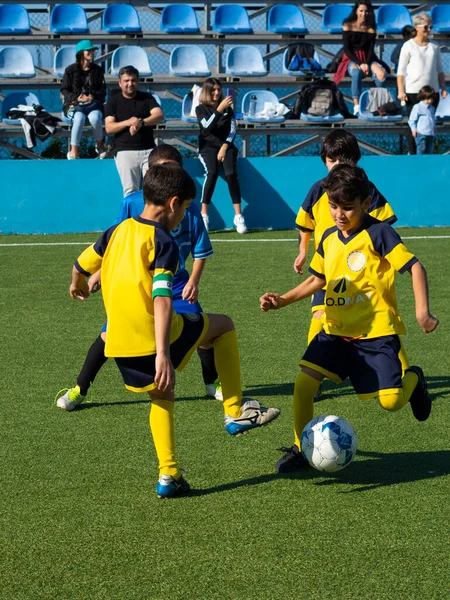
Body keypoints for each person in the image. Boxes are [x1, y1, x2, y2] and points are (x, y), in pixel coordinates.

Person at [67, 163, 280, 497]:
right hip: (157, 340)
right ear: (173, 203)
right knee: (223, 326)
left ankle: (169, 477)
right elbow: (163, 298)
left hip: (120, 345)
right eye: (185, 209)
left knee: (161, 397)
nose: (184, 217)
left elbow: (80, 265)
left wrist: (77, 284)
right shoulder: (163, 240)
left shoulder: (115, 231)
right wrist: (164, 355)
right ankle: (236, 410)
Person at [260, 164, 439, 473]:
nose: (339, 214)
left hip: (375, 334)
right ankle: (301, 448)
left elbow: (415, 268)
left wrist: (422, 312)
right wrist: (283, 300)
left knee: (392, 402)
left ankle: (415, 379)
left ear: (365, 204)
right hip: (335, 332)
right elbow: (317, 279)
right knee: (303, 384)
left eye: (347, 207)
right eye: (333, 206)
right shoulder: (328, 238)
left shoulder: (378, 232)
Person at [56, 144, 223, 409]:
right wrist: (100, 272)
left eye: (174, 170)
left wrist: (193, 280)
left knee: (205, 331)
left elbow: (201, 249)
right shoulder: (133, 203)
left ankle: (212, 383)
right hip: (138, 285)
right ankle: (80, 389)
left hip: (176, 283)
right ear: (151, 174)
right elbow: (114, 242)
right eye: (163, 170)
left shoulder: (188, 207)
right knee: (108, 336)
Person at [293, 130, 409, 391]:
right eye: (332, 160)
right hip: (327, 269)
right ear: (324, 160)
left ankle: (402, 372)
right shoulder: (319, 189)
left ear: (355, 160)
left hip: (361, 273)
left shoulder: (364, 190)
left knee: (380, 328)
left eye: (344, 160)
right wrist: (302, 251)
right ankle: (312, 380)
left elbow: (384, 225)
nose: (338, 165)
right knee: (320, 317)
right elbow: (304, 223)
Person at [195, 77, 247, 234]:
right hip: (207, 147)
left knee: (231, 174)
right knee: (212, 173)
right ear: (207, 92)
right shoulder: (201, 109)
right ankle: (204, 214)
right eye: (213, 90)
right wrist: (219, 110)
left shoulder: (227, 108)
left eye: (219, 89)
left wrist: (224, 147)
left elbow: (232, 130)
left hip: (226, 146)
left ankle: (239, 216)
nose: (217, 92)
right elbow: (206, 128)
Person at [105, 65, 164, 197]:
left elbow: (159, 115)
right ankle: (130, 218)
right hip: (125, 151)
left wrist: (141, 123)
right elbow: (109, 127)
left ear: (137, 82)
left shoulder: (147, 98)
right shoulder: (113, 101)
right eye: (126, 81)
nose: (130, 84)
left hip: (149, 150)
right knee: (130, 192)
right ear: (120, 83)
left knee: (154, 190)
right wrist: (128, 122)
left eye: (133, 80)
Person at [397, 12, 447, 154]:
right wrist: (401, 90)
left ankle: (428, 156)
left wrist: (443, 87)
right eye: (425, 27)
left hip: (432, 93)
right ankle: (414, 155)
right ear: (417, 27)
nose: (428, 30)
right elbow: (401, 72)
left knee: (429, 126)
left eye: (430, 27)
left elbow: (439, 70)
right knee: (414, 126)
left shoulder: (434, 46)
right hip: (413, 92)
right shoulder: (408, 46)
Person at [334, 1, 387, 115]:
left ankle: (378, 102)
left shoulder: (371, 27)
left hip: (367, 58)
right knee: (356, 71)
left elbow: (370, 49)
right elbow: (347, 49)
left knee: (381, 74)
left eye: (366, 11)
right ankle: (356, 105)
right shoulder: (348, 25)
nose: (364, 14)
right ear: (356, 11)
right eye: (361, 11)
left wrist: (366, 63)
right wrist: (359, 63)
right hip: (351, 58)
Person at [61, 40, 106, 160]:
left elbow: (102, 91)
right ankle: (74, 150)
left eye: (92, 50)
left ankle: (100, 145)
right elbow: (64, 90)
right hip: (75, 104)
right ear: (81, 53)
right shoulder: (70, 70)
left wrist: (93, 96)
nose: (92, 52)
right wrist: (77, 98)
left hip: (93, 104)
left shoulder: (97, 70)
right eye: (89, 50)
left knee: (95, 118)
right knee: (79, 118)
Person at [408, 85, 436, 155]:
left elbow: (433, 119)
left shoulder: (432, 108)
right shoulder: (417, 107)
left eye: (431, 99)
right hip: (421, 134)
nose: (429, 101)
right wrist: (414, 129)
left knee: (429, 150)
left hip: (430, 134)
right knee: (421, 149)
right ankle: (419, 164)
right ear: (422, 97)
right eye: (427, 98)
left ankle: (427, 165)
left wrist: (434, 128)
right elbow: (411, 120)